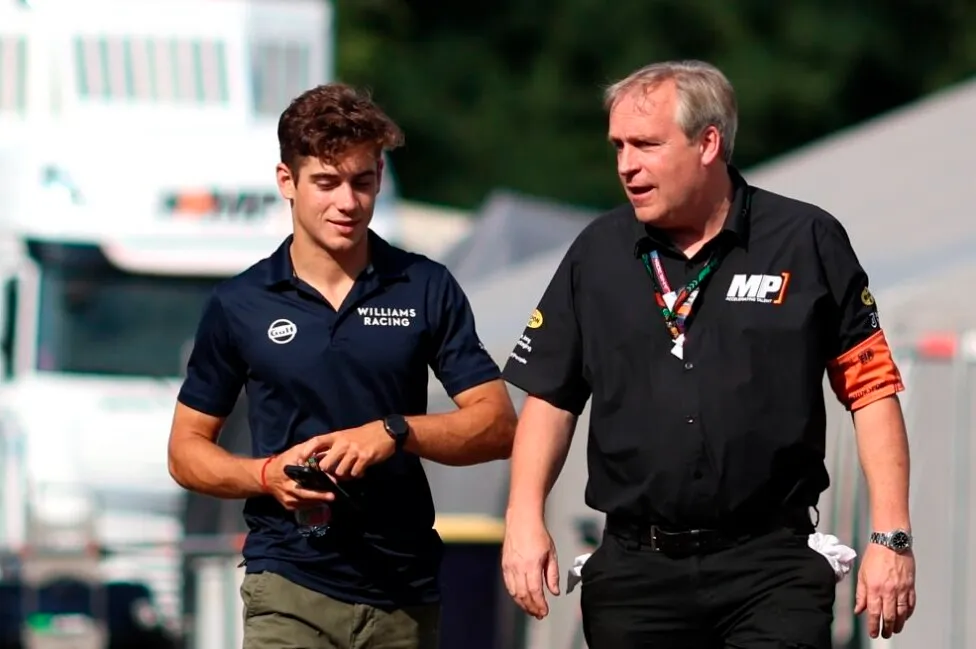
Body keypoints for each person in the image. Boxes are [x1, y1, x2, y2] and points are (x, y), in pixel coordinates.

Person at [499, 60, 915, 648]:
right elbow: (550, 397)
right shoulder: (598, 252)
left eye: (645, 144)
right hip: (636, 573)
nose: (625, 165)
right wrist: (522, 517)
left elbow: (872, 390)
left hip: (770, 569)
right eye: (618, 146)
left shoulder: (806, 239)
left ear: (708, 143)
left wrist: (891, 536)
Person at [167, 83, 517, 649]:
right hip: (288, 582)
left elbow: (498, 425)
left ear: (379, 175)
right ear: (288, 181)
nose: (347, 203)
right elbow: (185, 451)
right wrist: (266, 475)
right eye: (326, 183)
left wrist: (394, 433)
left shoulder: (426, 287)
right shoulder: (240, 303)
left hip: (403, 586)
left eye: (362, 181)